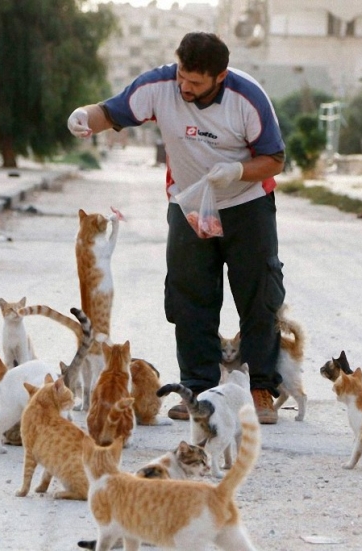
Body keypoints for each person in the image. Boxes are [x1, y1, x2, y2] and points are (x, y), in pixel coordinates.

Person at [67, 32, 286, 424]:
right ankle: (197, 389)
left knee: (259, 296)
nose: (185, 86)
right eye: (183, 75)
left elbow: (274, 158)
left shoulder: (248, 98)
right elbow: (111, 111)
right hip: (188, 205)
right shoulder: (159, 86)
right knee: (189, 297)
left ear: (219, 76)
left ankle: (261, 389)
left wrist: (237, 170)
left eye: (196, 82)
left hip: (246, 205)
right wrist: (84, 117)